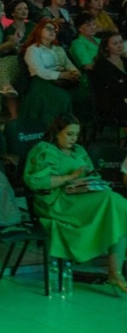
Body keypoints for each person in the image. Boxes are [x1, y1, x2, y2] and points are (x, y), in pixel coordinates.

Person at [24, 115, 127, 292]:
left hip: (79, 196)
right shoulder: (44, 149)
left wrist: (90, 180)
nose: (73, 139)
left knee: (114, 205)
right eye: (69, 134)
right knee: (114, 202)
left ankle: (115, 271)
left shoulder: (79, 150)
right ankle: (114, 272)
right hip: (55, 200)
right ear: (57, 133)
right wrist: (69, 177)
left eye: (76, 135)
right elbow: (35, 182)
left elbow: (90, 173)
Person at [21, 19, 82, 126]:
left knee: (81, 93)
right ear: (39, 30)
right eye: (49, 28)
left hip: (62, 79)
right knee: (62, 97)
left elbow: (68, 64)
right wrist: (61, 75)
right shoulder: (33, 50)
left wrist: (74, 72)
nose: (53, 31)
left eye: (55, 29)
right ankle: (57, 128)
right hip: (42, 82)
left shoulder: (58, 49)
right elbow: (39, 70)